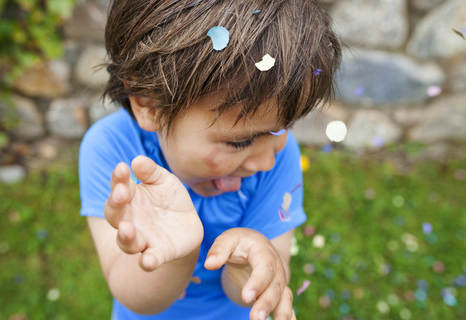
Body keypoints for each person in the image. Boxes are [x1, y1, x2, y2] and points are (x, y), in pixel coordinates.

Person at [78, 1, 341, 319]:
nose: (265, 162)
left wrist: (251, 265)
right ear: (149, 106)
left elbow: (261, 283)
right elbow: (133, 294)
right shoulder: (112, 150)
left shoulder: (280, 155)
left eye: (282, 129)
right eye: (240, 141)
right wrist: (178, 254)